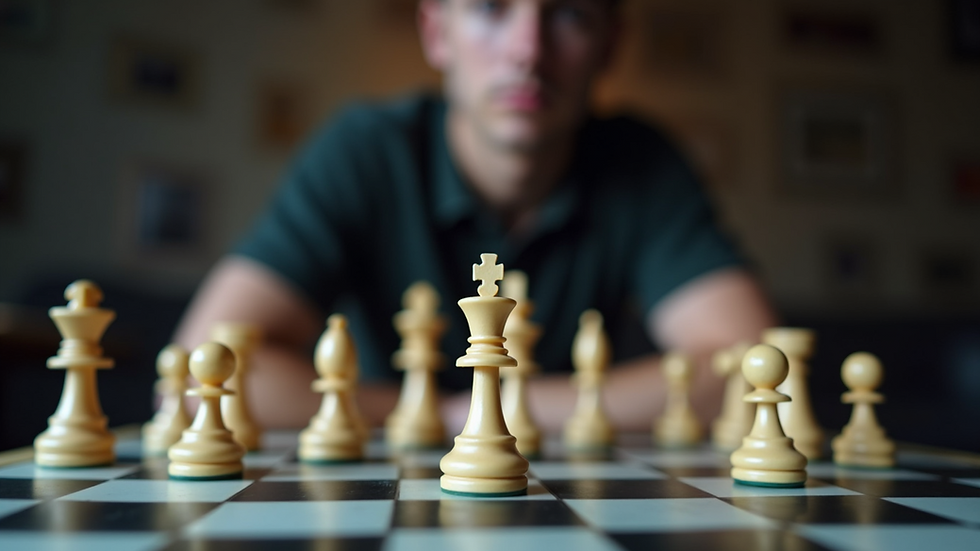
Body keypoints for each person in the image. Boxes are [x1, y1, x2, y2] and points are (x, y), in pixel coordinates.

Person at [174, 0, 777, 433]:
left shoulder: (643, 163)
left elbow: (759, 371)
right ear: (437, 31)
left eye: (570, 14)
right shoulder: (364, 152)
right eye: (491, 7)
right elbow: (201, 374)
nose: (528, 51)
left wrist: (482, 413)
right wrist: (438, 416)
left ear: (610, 46)